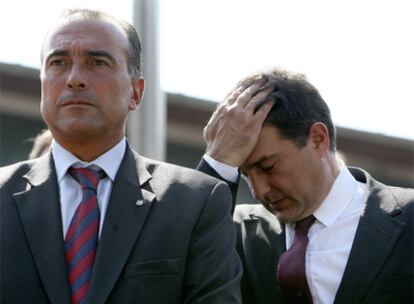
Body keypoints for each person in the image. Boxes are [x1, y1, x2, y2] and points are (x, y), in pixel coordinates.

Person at [0, 9, 242, 304]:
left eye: (97, 62)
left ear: (136, 92)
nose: (74, 79)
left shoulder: (196, 202)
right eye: (58, 63)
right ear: (42, 84)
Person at [197, 68, 413, 303]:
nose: (259, 191)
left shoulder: (408, 218)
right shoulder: (233, 232)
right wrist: (217, 161)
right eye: (246, 175)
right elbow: (178, 264)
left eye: (268, 167)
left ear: (318, 139)